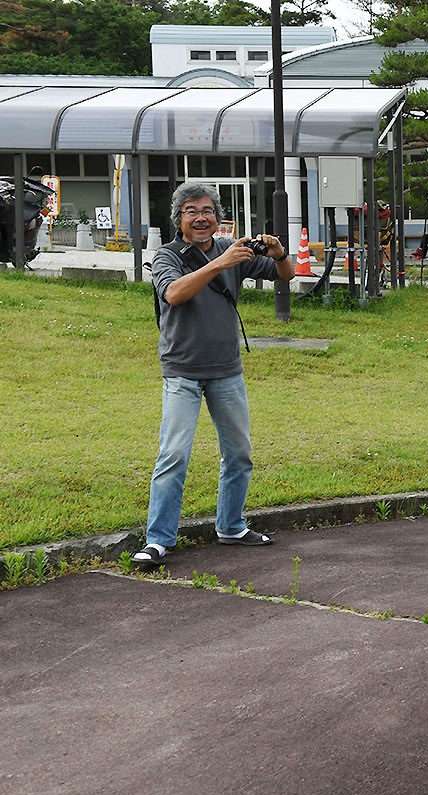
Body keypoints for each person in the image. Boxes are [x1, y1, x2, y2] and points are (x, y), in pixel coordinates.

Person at [132, 181, 295, 567]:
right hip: (183, 371)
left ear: (217, 216)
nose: (201, 217)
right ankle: (158, 540)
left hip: (226, 371)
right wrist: (219, 263)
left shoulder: (231, 249)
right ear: (179, 219)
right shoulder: (167, 255)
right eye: (191, 211)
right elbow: (174, 293)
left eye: (207, 210)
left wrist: (279, 252)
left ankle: (231, 526)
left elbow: (284, 274)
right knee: (173, 455)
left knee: (239, 453)